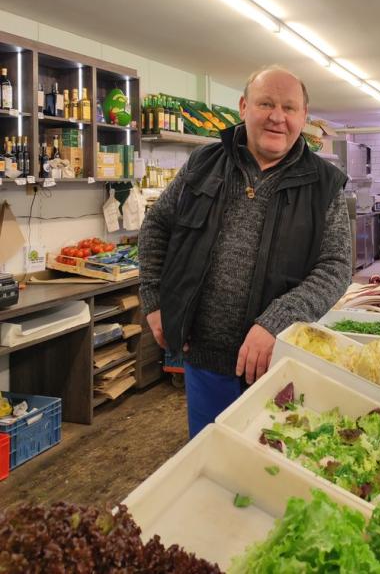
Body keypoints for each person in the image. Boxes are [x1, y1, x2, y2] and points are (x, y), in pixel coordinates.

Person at [138, 65, 352, 438]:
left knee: (273, 470)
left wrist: (275, 321)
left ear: (304, 117)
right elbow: (157, 227)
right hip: (205, 360)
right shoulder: (202, 164)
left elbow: (335, 267)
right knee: (211, 460)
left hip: (282, 361)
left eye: (289, 108)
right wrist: (153, 299)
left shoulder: (324, 184)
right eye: (265, 103)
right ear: (243, 106)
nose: (276, 117)